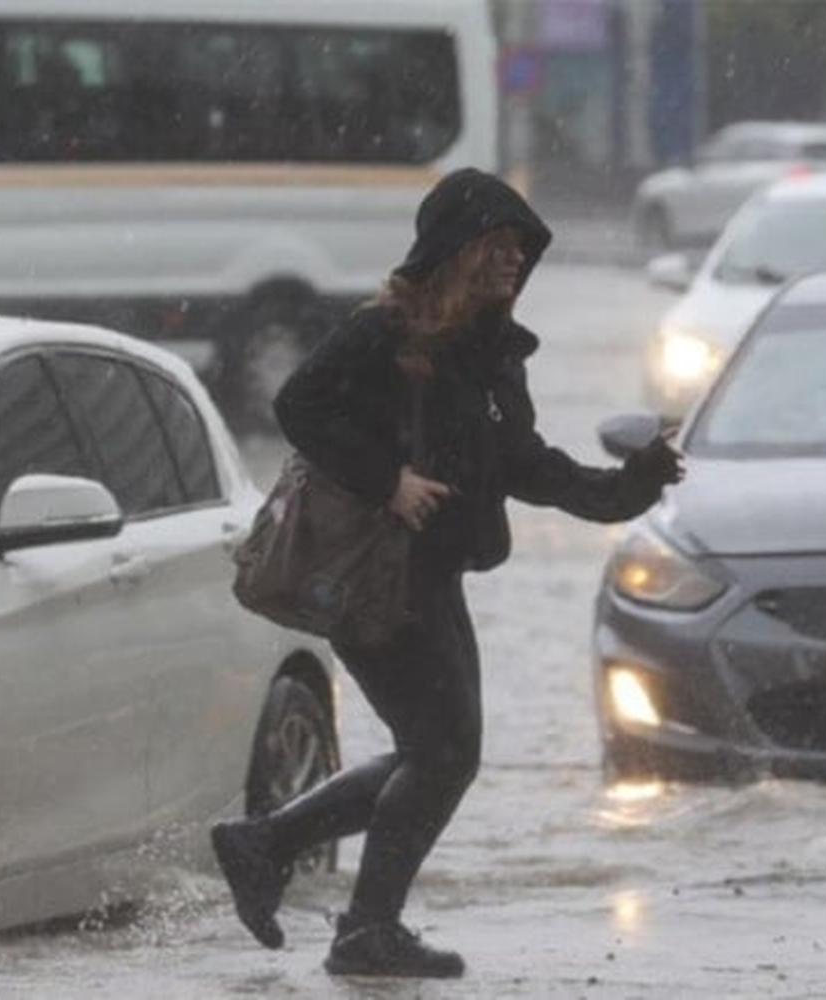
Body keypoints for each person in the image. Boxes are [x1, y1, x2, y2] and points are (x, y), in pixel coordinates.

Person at [210, 167, 684, 979]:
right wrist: (385, 479)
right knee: (443, 753)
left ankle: (269, 846)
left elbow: (528, 465)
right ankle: (359, 924)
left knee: (437, 750)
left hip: (433, 577)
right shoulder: (384, 331)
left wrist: (627, 488)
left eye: (521, 250)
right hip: (376, 577)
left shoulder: (494, 354)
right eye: (498, 246)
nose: (513, 263)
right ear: (454, 251)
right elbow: (299, 406)